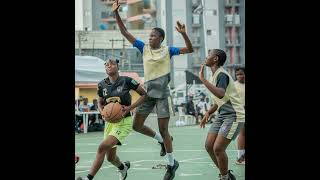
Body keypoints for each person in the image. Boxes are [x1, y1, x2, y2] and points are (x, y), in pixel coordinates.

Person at [112, 0, 194, 179]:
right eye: (149, 36)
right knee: (137, 125)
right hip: (147, 93)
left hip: (162, 95)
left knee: (164, 130)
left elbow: (189, 49)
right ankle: (162, 142)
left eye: (153, 36)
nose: (150, 38)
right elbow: (125, 32)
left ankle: (171, 165)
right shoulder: (144, 48)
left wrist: (184, 34)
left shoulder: (168, 50)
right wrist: (116, 13)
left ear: (161, 38)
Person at [77, 58, 147, 180]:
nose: (109, 66)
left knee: (102, 147)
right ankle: (123, 167)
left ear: (117, 67)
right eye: (107, 64)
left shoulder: (127, 81)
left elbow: (144, 94)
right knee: (110, 158)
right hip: (110, 123)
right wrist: (102, 112)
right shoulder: (101, 85)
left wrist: (130, 107)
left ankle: (88, 178)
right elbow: (100, 102)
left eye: (112, 64)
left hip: (123, 122)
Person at [198, 49, 245, 180]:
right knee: (209, 146)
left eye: (209, 55)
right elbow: (219, 101)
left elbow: (220, 93)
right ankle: (226, 174)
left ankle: (224, 177)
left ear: (215, 59)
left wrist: (202, 80)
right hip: (222, 115)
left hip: (234, 115)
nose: (206, 57)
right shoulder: (214, 76)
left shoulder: (221, 75)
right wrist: (208, 112)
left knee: (218, 148)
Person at [234, 67, 245, 165]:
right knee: (242, 133)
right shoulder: (234, 85)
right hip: (240, 111)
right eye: (237, 74)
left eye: (241, 74)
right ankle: (240, 157)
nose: (240, 76)